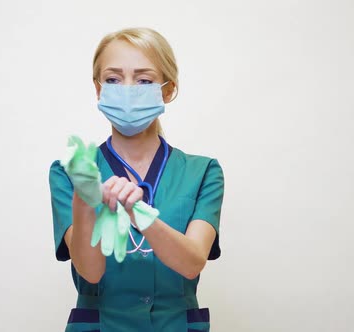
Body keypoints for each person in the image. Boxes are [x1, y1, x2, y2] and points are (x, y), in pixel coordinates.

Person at [49, 27, 225, 332]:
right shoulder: (70, 172)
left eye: (144, 80)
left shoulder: (203, 172)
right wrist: (84, 198)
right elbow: (89, 272)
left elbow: (193, 262)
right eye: (113, 79)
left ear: (168, 90)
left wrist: (138, 212)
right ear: (98, 88)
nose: (127, 89)